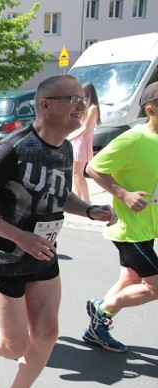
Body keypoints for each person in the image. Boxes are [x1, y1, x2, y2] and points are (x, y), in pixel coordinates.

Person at [0, 75, 116, 388]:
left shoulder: (65, 147)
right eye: (72, 99)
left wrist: (89, 210)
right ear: (45, 105)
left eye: (82, 100)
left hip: (43, 254)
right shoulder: (13, 147)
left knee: (47, 335)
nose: (81, 106)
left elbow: (58, 194)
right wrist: (19, 237)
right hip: (4, 258)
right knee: (14, 346)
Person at [82, 82, 158, 353]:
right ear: (151, 109)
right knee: (155, 287)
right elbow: (94, 168)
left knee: (130, 280)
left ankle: (97, 330)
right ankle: (101, 309)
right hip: (131, 229)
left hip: (147, 226)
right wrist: (123, 194)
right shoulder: (135, 138)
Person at [68, 82, 101, 203]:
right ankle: (79, 199)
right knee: (75, 173)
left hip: (83, 143)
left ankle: (87, 201)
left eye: (84, 97)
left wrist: (69, 138)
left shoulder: (93, 108)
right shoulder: (86, 108)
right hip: (78, 142)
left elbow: (85, 128)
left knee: (78, 173)